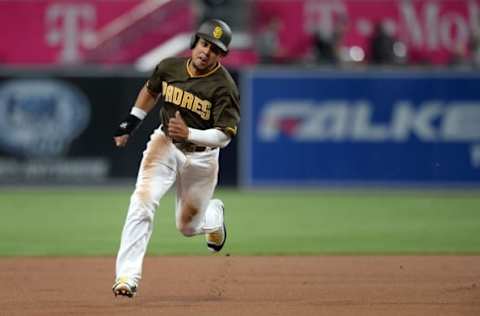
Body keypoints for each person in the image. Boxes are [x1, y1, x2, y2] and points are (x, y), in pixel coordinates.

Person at [111, 18, 240, 298]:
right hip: (165, 144)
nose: (206, 51)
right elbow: (151, 89)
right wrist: (131, 122)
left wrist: (190, 132)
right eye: (204, 44)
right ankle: (127, 276)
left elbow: (225, 135)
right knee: (142, 201)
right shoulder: (170, 66)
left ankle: (213, 215)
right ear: (195, 43)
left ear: (220, 56)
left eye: (215, 49)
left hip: (203, 158)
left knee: (188, 227)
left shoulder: (224, 87)